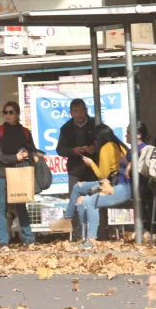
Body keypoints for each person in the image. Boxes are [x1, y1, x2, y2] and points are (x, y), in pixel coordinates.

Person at [49, 123, 127, 236]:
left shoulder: (105, 148)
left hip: (111, 184)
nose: (94, 142)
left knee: (78, 188)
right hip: (119, 182)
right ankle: (68, 220)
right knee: (79, 188)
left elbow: (102, 175)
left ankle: (69, 220)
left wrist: (91, 163)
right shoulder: (119, 145)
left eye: (95, 139)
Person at [76, 125, 136, 249]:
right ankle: (87, 238)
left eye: (128, 133)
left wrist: (91, 163)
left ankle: (89, 239)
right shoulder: (122, 147)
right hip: (120, 185)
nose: (125, 136)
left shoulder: (108, 148)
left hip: (124, 187)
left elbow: (102, 174)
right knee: (84, 199)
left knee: (88, 201)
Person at [0, 101, 36, 250]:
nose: (8, 115)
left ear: (18, 114)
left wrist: (27, 153)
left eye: (11, 112)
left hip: (18, 172)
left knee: (21, 204)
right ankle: (3, 242)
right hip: (1, 172)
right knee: (2, 206)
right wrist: (14, 158)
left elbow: (32, 149)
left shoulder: (25, 131)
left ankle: (29, 240)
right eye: (6, 112)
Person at [55, 99, 98, 238]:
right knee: (75, 202)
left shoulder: (95, 124)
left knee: (95, 201)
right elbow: (60, 149)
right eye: (75, 111)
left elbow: (107, 143)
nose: (79, 114)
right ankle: (78, 236)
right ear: (71, 113)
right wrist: (73, 150)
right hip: (75, 170)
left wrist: (95, 148)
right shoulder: (66, 128)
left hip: (93, 169)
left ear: (86, 110)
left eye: (81, 110)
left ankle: (96, 234)